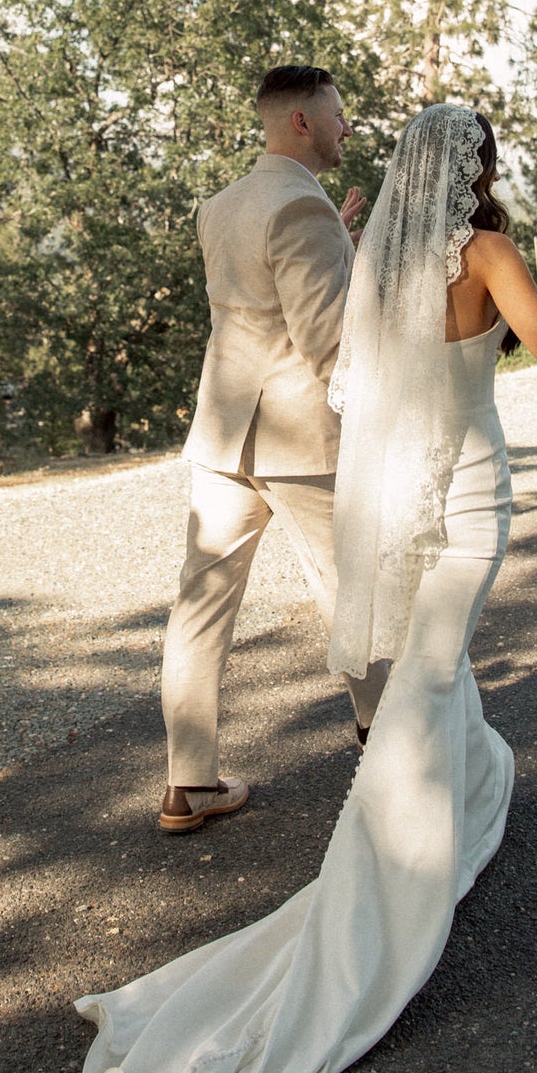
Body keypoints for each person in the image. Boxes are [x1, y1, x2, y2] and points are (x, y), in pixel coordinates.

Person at [77, 104, 537, 1073]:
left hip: (405, 499)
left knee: (431, 675)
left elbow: (352, 384)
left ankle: (471, 786)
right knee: (425, 683)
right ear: (475, 170)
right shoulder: (487, 250)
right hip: (474, 501)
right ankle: (375, 903)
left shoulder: (371, 258)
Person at [158, 65, 387, 835]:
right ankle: (388, 749)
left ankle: (188, 784)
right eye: (336, 115)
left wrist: (338, 253)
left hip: (223, 433)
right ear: (300, 123)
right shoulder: (300, 204)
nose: (344, 128)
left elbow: (257, 301)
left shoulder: (221, 205)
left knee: (200, 605)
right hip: (296, 437)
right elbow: (327, 343)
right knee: (348, 593)